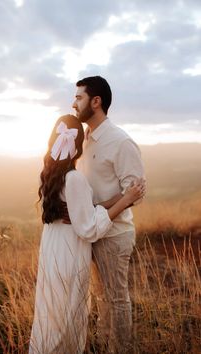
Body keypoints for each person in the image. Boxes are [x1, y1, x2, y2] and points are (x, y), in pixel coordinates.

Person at [29, 114, 145, 354]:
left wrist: (116, 200)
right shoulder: (74, 178)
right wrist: (125, 201)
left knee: (52, 309)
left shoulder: (51, 174)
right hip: (70, 249)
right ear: (78, 144)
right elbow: (89, 228)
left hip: (53, 248)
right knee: (69, 312)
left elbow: (84, 209)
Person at [72, 76, 145, 353]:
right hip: (92, 231)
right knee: (99, 295)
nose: (74, 102)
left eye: (79, 97)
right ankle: (104, 344)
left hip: (114, 234)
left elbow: (135, 193)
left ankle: (121, 348)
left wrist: (97, 212)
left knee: (116, 298)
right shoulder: (86, 138)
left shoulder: (121, 141)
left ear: (96, 101)